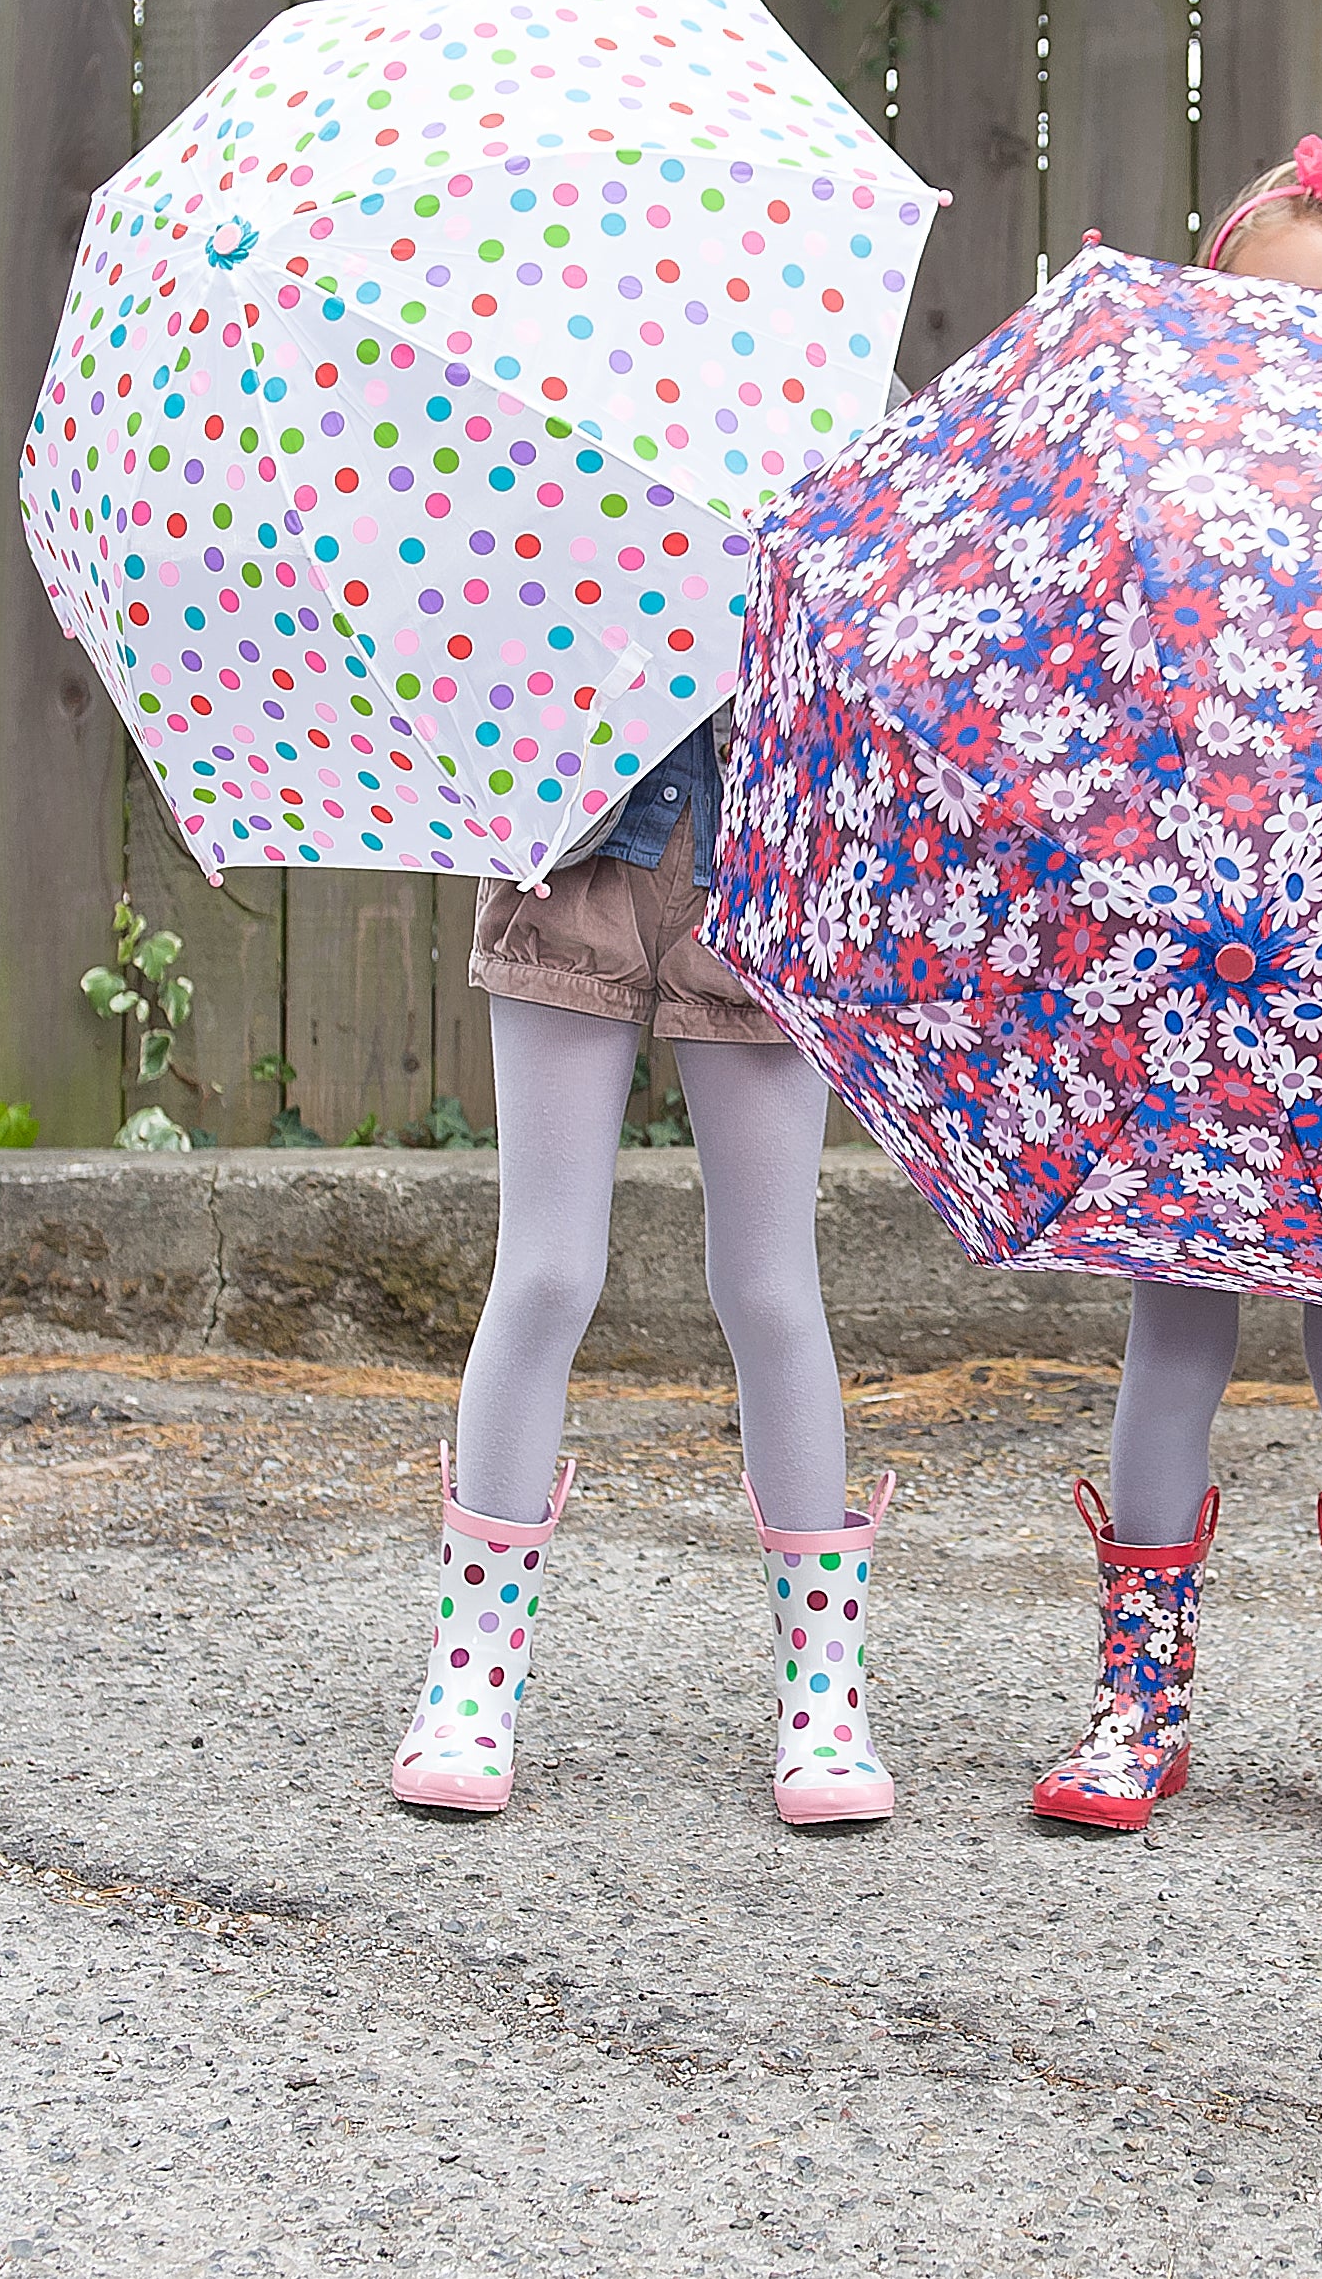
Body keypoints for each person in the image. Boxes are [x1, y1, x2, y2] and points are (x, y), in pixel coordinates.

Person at [1029, 137, 1322, 1864]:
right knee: (1179, 1317)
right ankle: (1139, 1696)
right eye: (1268, 311)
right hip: (1190, 964)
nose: (1306, 345)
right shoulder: (1154, 498)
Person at [387, 705, 893, 1831]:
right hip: (564, 871)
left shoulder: (818, 527)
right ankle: (469, 1679)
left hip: (769, 872)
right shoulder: (556, 520)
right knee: (546, 1271)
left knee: (767, 1285)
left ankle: (824, 1697)